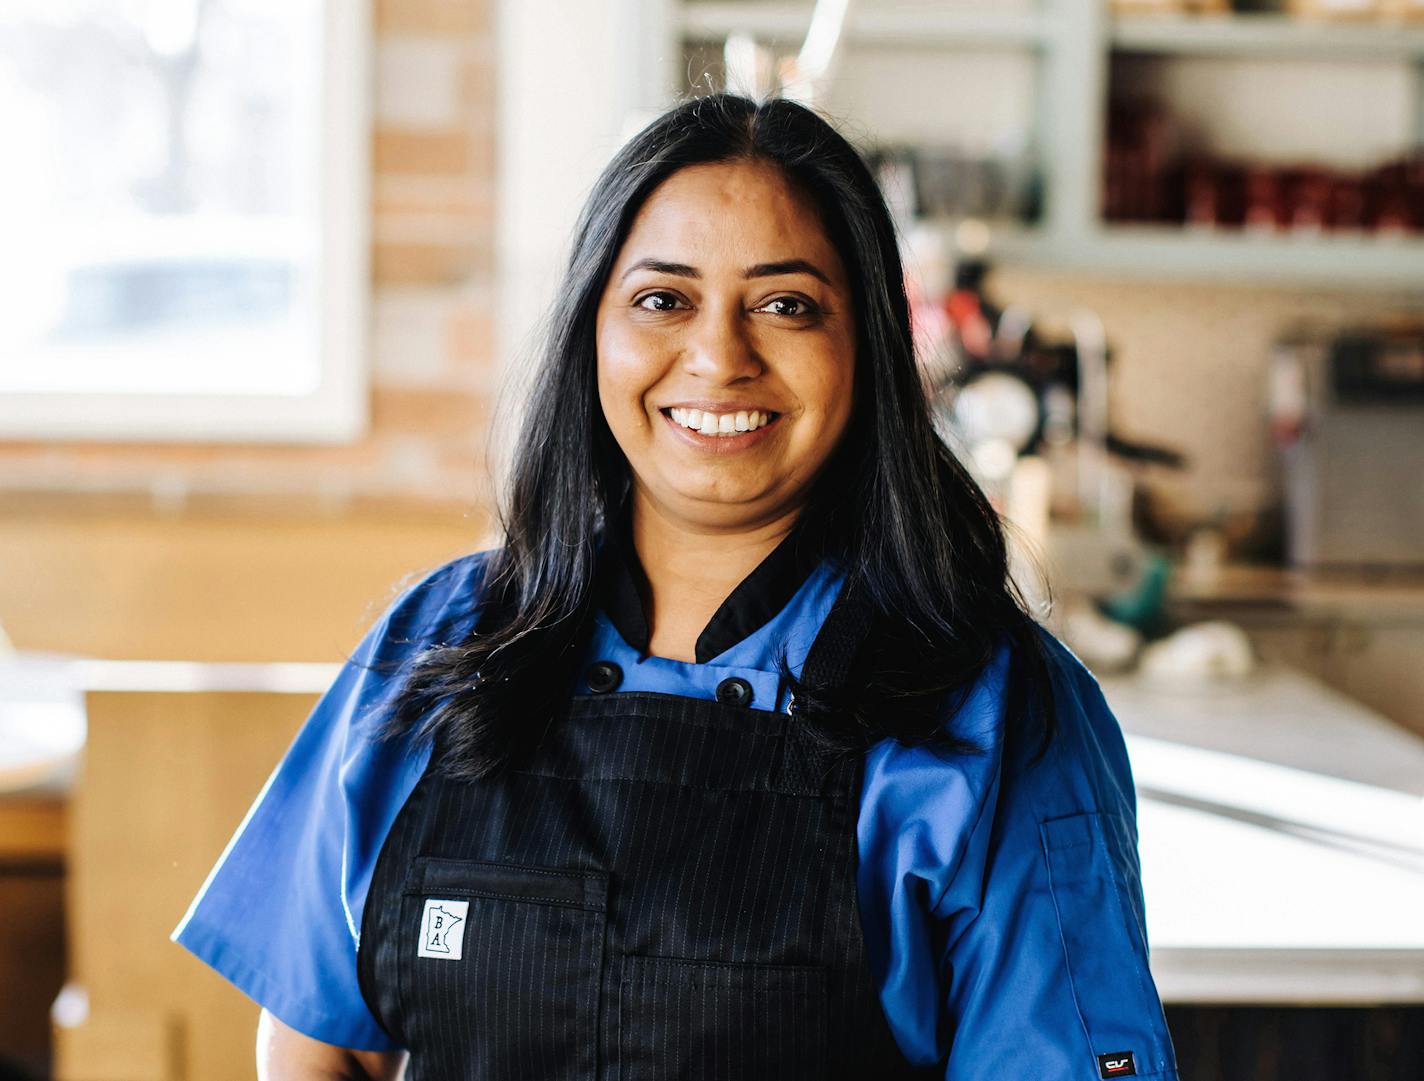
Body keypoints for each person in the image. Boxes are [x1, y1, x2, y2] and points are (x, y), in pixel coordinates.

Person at [173, 93, 1179, 1080]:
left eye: (785, 305)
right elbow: (317, 1040)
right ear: (590, 332)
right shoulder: (443, 636)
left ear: (865, 347)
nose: (717, 356)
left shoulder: (999, 709)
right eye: (662, 299)